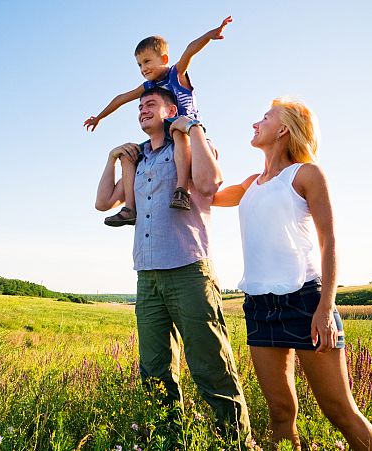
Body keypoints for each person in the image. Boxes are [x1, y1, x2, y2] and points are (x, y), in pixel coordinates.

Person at [212, 98, 372, 450]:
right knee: (279, 412)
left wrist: (325, 308)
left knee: (339, 410)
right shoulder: (250, 184)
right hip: (259, 306)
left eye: (264, 117)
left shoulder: (306, 174)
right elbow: (206, 196)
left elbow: (329, 241)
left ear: (283, 129)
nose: (254, 124)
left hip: (306, 300)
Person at [95, 86, 251, 443]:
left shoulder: (189, 147)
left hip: (188, 270)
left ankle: (236, 443)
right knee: (154, 371)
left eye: (150, 104)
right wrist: (111, 158)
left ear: (170, 110)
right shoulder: (140, 161)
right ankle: (170, 441)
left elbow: (211, 184)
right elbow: (103, 202)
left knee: (211, 366)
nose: (141, 110)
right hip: (147, 276)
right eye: (139, 107)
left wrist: (193, 128)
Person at [86, 16, 233, 226]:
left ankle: (181, 189)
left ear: (163, 59)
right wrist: (99, 117)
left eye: (147, 61)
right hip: (164, 135)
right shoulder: (148, 87)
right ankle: (130, 208)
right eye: (139, 65)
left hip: (186, 129)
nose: (143, 68)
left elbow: (189, 50)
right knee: (129, 155)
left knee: (177, 131)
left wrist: (210, 35)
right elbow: (121, 98)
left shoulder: (175, 74)